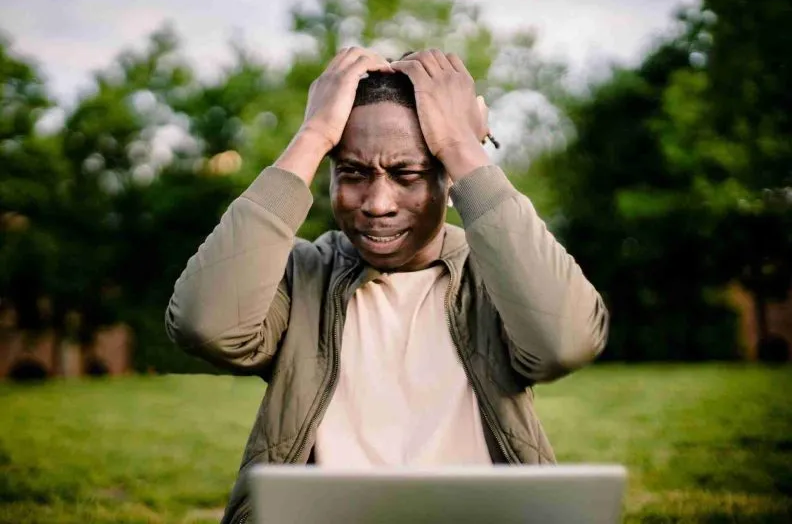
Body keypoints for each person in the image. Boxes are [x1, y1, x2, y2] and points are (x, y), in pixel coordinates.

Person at [165, 47, 609, 524]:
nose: (378, 203)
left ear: (446, 178)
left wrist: (464, 146)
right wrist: (312, 135)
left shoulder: (499, 277)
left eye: (407, 174)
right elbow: (203, 325)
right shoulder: (300, 275)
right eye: (353, 173)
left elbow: (565, 342)